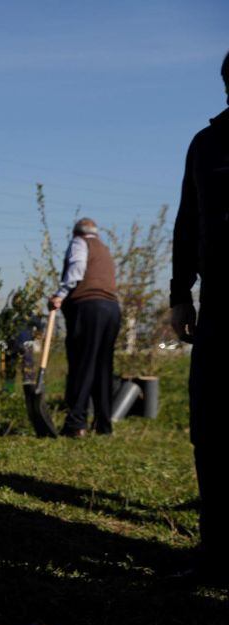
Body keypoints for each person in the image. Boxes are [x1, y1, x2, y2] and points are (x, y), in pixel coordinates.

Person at [168, 51, 229, 585]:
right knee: (210, 427)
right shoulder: (208, 145)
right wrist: (179, 292)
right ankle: (216, 551)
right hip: (221, 308)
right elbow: (189, 223)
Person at [47, 218, 120, 438]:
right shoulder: (104, 249)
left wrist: (60, 295)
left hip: (89, 308)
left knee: (82, 365)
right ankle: (103, 424)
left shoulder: (80, 243)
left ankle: (76, 423)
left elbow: (77, 268)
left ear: (76, 232)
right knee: (102, 367)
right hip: (112, 309)